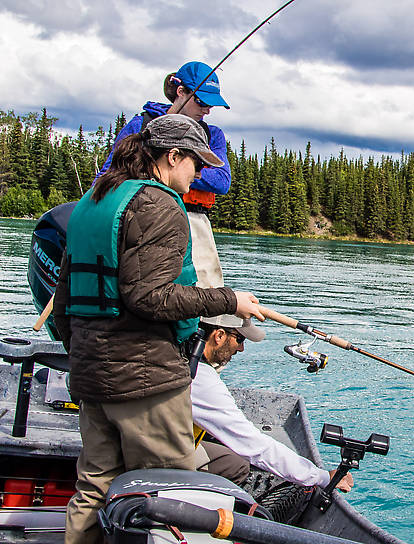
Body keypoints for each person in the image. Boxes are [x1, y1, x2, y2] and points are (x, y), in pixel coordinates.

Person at [52, 114, 268, 544]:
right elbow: (149, 297)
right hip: (145, 380)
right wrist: (230, 300)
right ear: (172, 157)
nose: (199, 174)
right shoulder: (160, 204)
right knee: (174, 490)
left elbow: (62, 300)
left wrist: (84, 353)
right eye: (195, 163)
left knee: (94, 487)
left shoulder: (94, 201)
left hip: (91, 374)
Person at [97, 61, 231, 288]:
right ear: (181, 92)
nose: (207, 109)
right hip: (140, 216)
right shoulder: (141, 125)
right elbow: (107, 175)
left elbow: (222, 182)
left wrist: (181, 171)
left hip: (192, 221)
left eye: (212, 104)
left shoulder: (213, 135)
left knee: (204, 295)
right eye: (202, 101)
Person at [190, 315, 354, 493]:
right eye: (240, 339)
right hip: (162, 459)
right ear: (219, 335)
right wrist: (321, 477)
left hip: (166, 443)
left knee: (234, 464)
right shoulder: (201, 378)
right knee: (237, 462)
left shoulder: (180, 356)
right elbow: (254, 446)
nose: (242, 348)